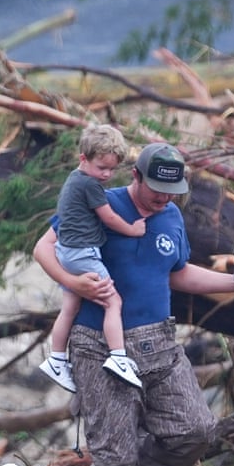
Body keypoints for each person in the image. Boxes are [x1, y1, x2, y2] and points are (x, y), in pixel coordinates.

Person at [33, 142, 234, 466]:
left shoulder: (171, 215)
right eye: (156, 189)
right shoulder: (98, 200)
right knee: (113, 456)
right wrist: (75, 283)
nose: (163, 198)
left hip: (159, 342)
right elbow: (43, 249)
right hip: (97, 344)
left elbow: (177, 272)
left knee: (196, 429)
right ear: (136, 175)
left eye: (172, 191)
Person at [39, 123, 146, 392]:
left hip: (66, 251)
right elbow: (108, 217)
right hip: (81, 252)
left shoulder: (76, 179)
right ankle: (118, 356)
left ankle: (56, 357)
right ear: (83, 159)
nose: (107, 175)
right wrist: (133, 229)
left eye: (112, 169)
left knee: (70, 306)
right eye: (102, 168)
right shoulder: (90, 185)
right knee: (113, 301)